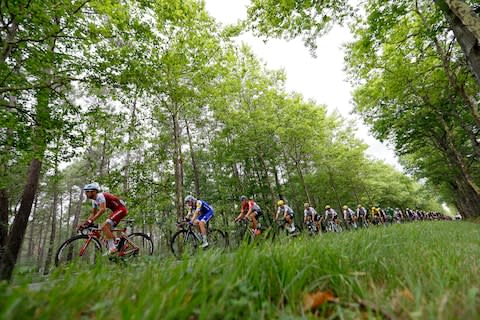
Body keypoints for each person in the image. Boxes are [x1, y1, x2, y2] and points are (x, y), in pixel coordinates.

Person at [78, 183, 128, 254]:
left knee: (104, 226)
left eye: (87, 192)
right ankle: (116, 243)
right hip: (116, 211)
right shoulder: (94, 201)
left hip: (121, 209)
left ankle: (112, 248)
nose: (85, 194)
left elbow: (102, 209)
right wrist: (86, 223)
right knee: (106, 229)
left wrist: (91, 220)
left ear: (93, 192)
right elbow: (93, 214)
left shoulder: (100, 196)